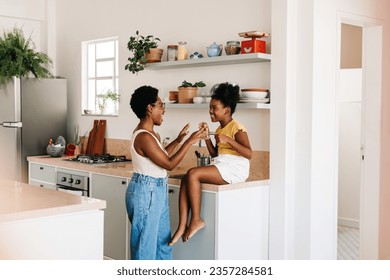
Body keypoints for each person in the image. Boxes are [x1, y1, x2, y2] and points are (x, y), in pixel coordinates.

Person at [126, 85, 206, 260]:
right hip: (146, 193)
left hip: (157, 191)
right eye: (161, 105)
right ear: (150, 108)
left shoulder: (152, 135)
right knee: (145, 248)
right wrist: (190, 142)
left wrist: (179, 140)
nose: (164, 110)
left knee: (163, 245)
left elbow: (162, 156)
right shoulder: (144, 137)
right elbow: (169, 164)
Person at [169, 82, 253, 245]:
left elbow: (249, 153)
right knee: (187, 177)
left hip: (236, 168)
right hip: (224, 164)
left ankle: (196, 219)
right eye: (210, 107)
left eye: (214, 108)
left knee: (193, 173)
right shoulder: (220, 129)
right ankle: (181, 225)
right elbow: (216, 154)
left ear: (226, 110)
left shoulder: (237, 127)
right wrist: (207, 137)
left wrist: (229, 139)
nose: (210, 111)